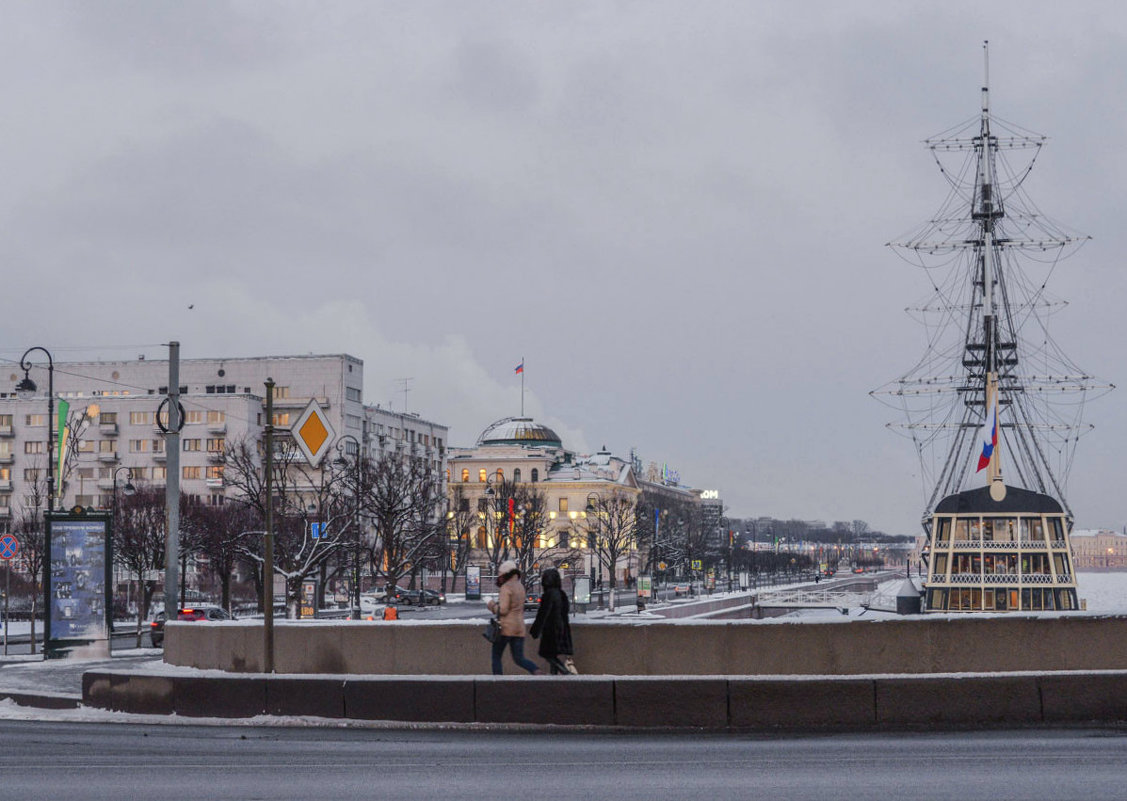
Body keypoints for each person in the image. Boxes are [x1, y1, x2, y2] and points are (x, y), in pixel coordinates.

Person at [486, 560, 539, 675]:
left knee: (496, 656)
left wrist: (490, 604)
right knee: (519, 658)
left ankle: (498, 682)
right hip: (519, 629)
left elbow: (503, 610)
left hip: (505, 629)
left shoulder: (506, 587)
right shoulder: (520, 587)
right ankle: (535, 670)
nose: (498, 578)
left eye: (500, 575)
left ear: (505, 574)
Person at [529, 567, 574, 674]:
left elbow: (543, 614)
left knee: (547, 654)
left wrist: (535, 630)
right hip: (561, 629)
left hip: (551, 630)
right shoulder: (561, 594)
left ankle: (564, 671)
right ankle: (554, 678)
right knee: (552, 654)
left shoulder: (548, 595)